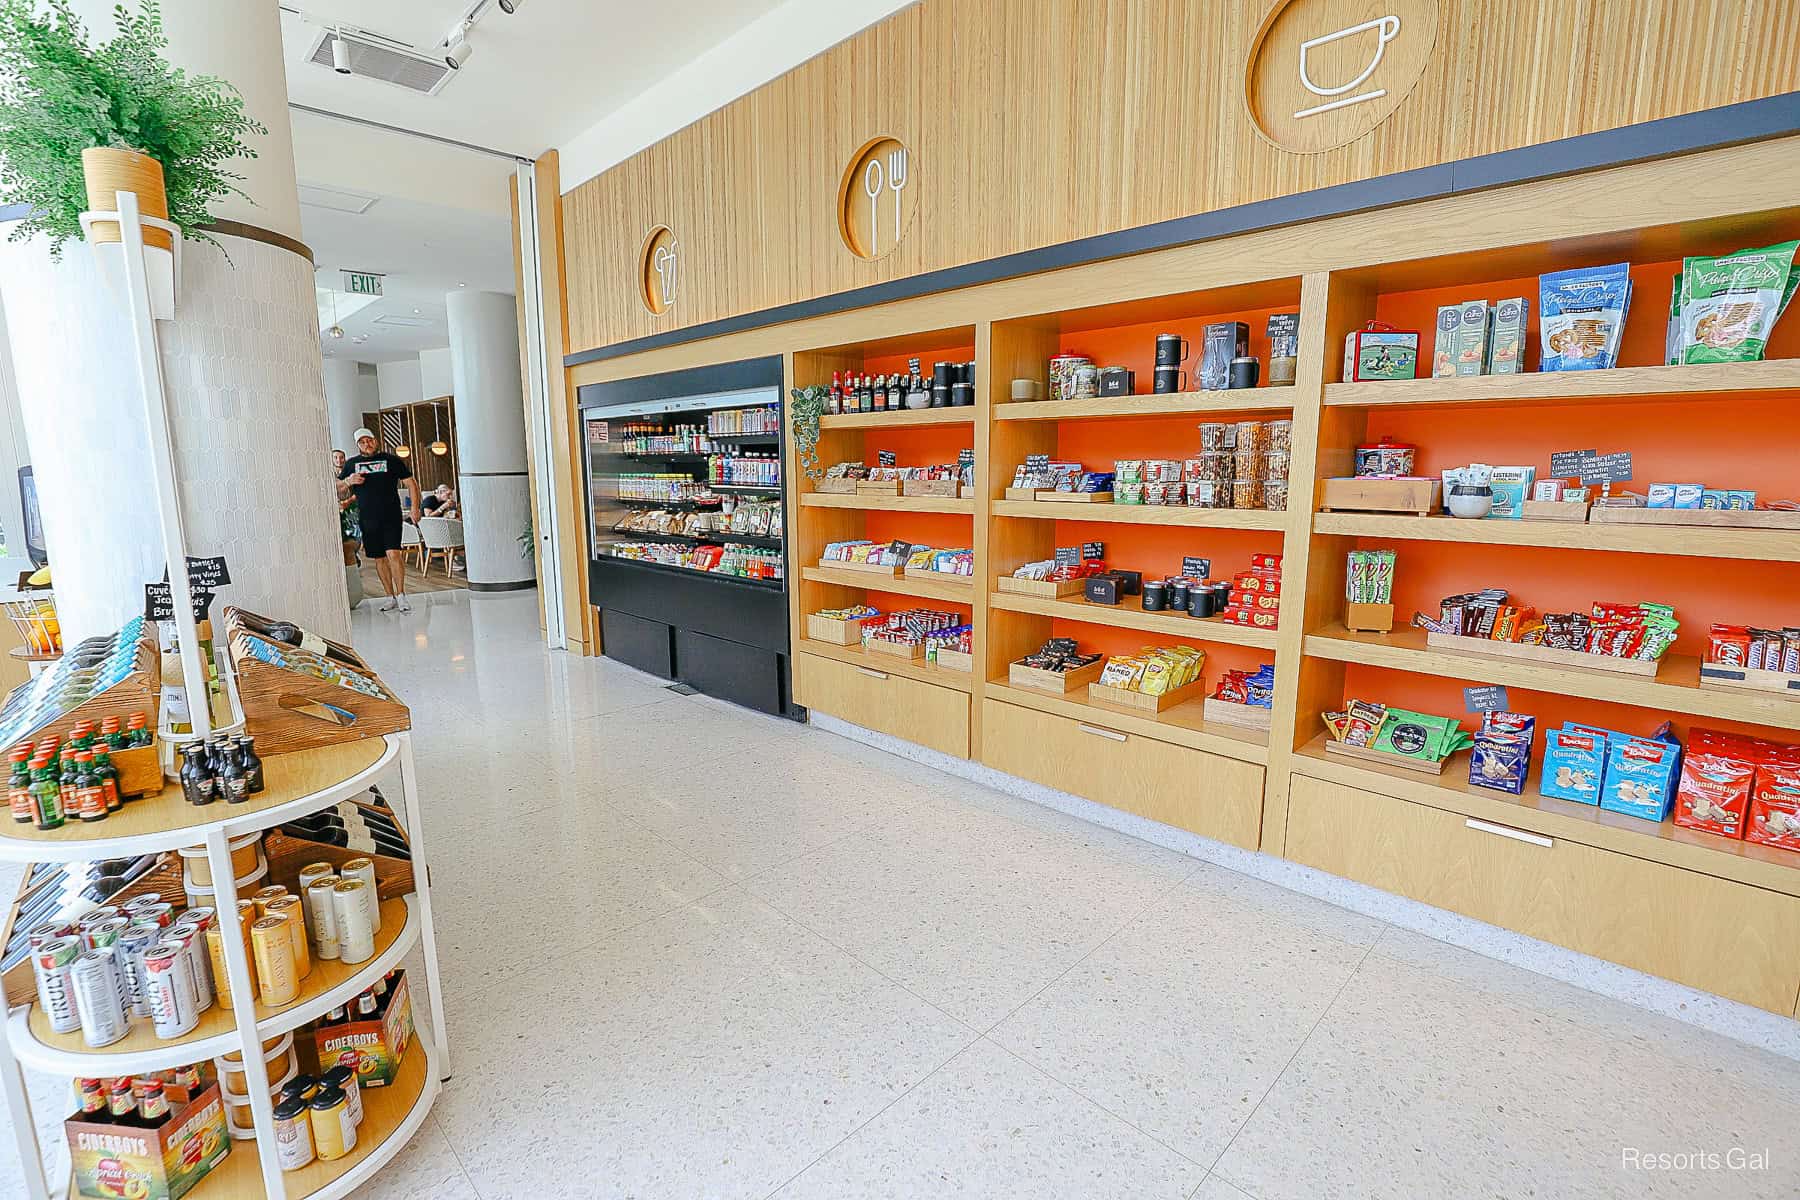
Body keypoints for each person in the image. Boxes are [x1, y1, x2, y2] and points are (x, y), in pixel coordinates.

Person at [338, 428, 421, 612]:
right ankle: (389, 596)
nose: (367, 444)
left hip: (391, 515)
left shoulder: (390, 460)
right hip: (367, 518)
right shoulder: (352, 464)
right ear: (358, 445)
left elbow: (410, 483)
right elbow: (338, 487)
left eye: (369, 440)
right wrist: (348, 481)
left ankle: (401, 595)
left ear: (375, 441)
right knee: (379, 558)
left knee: (394, 553)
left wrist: (415, 507)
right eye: (362, 442)